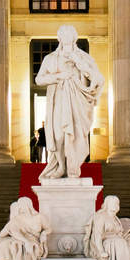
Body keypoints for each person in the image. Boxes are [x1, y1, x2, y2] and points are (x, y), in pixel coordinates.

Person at [35, 26, 103, 181]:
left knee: (75, 136)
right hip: (58, 99)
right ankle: (59, 166)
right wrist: (58, 76)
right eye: (63, 34)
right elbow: (39, 79)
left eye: (69, 34)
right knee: (59, 136)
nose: (66, 36)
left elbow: (97, 78)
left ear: (74, 38)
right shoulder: (50, 58)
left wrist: (81, 65)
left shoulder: (84, 57)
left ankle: (73, 168)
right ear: (59, 38)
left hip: (77, 101)